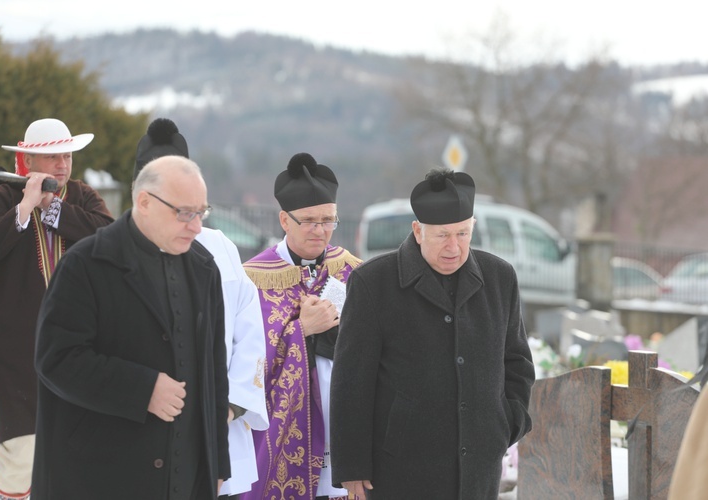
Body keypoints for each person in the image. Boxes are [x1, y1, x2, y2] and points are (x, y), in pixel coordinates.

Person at [330, 168, 536, 499]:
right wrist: (352, 466)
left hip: (478, 466)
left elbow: (517, 364)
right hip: (398, 469)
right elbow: (351, 382)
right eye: (442, 235)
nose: (454, 247)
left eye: (463, 233)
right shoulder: (373, 283)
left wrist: (505, 424)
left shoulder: (501, 278)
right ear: (418, 231)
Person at [32, 155, 230, 499]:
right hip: (100, 477)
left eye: (202, 212)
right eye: (185, 213)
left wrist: (217, 464)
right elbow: (56, 360)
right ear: (145, 203)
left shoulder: (204, 269)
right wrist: (143, 389)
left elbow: (214, 375)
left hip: (185, 480)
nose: (197, 226)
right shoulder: (86, 263)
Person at [0, 118, 113, 500]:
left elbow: (109, 238)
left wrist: (54, 212)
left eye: (67, 155)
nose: (63, 164)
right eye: (53, 157)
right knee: (21, 450)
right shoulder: (0, 196)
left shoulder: (81, 195)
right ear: (29, 160)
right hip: (19, 351)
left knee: (79, 449)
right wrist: (26, 206)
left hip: (79, 346)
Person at [133, 117, 269, 499]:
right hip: (146, 426)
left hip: (217, 426)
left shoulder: (219, 247)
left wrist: (229, 405)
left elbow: (249, 329)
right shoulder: (113, 252)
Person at [240, 153, 362, 500]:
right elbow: (246, 357)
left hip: (342, 416)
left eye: (328, 220)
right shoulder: (252, 278)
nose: (320, 230)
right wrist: (300, 330)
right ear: (284, 219)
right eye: (309, 221)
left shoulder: (353, 270)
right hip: (283, 425)